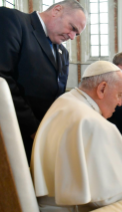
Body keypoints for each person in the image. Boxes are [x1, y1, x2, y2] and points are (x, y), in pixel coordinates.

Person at [31, 61, 122, 212]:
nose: (120, 103)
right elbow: (106, 196)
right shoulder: (91, 121)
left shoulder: (65, 102)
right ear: (102, 89)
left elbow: (85, 164)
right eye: (119, 95)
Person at [0, 0, 87, 162]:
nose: (72, 37)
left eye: (77, 34)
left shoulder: (63, 53)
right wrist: (33, 128)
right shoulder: (14, 21)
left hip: (40, 139)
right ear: (57, 10)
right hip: (12, 133)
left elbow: (57, 96)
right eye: (72, 28)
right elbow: (3, 78)